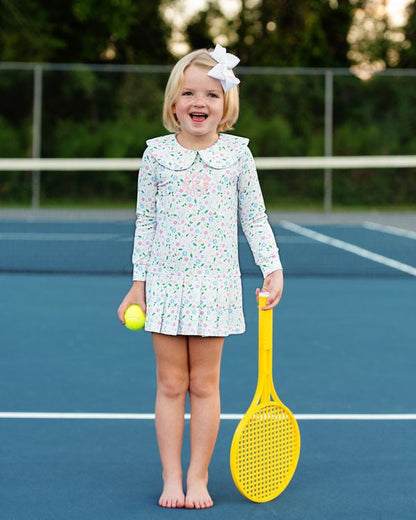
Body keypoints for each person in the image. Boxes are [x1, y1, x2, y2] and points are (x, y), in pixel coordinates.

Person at [117, 44, 283, 510]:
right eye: (188, 93)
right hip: (165, 286)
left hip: (216, 287)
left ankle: (198, 477)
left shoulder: (237, 156)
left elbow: (254, 217)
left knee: (204, 385)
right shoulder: (155, 156)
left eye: (211, 94)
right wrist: (138, 284)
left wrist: (272, 267)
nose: (199, 102)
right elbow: (145, 222)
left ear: (226, 104)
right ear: (174, 104)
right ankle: (171, 477)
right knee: (171, 384)